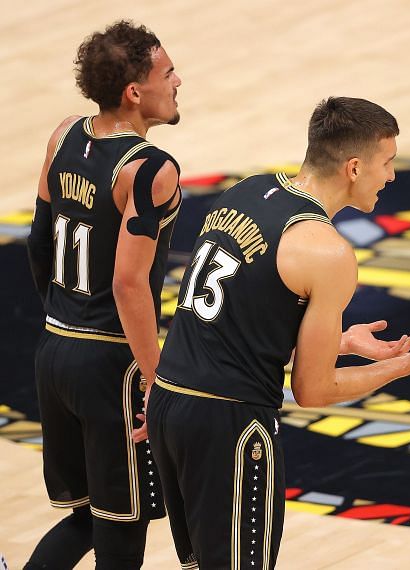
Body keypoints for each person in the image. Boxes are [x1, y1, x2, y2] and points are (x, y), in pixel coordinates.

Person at [146, 96, 410, 569]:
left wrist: (338, 343)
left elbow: (229, 324)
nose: (392, 176)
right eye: (388, 163)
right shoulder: (326, 252)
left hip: (170, 404)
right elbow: (314, 390)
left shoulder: (246, 190)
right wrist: (404, 365)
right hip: (229, 424)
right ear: (355, 167)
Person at [25, 20, 183, 570]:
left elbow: (38, 242)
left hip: (54, 351)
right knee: (121, 537)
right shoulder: (150, 169)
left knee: (84, 519)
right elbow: (127, 283)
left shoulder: (63, 135)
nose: (178, 81)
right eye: (167, 74)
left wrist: (61, 315)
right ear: (134, 91)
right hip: (109, 365)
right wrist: (155, 378)